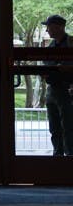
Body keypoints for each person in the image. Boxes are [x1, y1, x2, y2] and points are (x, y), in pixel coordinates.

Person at [43, 15, 73, 156]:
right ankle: (58, 157)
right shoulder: (52, 45)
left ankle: (68, 158)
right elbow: (47, 63)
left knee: (68, 127)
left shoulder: (70, 43)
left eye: (49, 26)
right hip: (53, 90)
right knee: (54, 128)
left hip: (67, 89)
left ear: (59, 27)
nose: (47, 30)